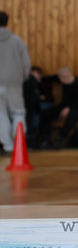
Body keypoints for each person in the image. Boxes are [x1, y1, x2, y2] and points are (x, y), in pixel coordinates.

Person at [0, 11, 31, 155]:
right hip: (14, 84)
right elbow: (26, 64)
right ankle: (18, 143)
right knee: (18, 113)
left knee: (1, 116)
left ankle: (8, 146)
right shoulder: (16, 41)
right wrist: (21, 78)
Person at [38, 67, 78, 149]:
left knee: (72, 117)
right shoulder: (61, 78)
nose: (61, 81)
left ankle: (60, 139)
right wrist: (38, 78)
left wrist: (68, 108)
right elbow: (49, 79)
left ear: (66, 77)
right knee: (46, 113)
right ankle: (45, 139)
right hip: (63, 106)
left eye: (62, 79)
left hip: (75, 108)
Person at [23, 66, 50, 149]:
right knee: (31, 122)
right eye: (32, 74)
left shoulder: (41, 82)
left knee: (35, 121)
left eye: (36, 74)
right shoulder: (29, 81)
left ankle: (32, 142)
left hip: (35, 106)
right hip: (30, 106)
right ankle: (30, 142)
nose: (33, 75)